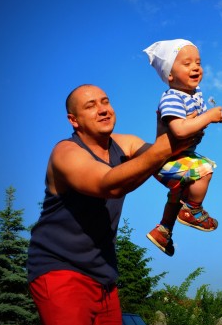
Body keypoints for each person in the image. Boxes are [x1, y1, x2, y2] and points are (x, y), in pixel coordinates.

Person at [27, 84, 195, 325]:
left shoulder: (125, 144)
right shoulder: (65, 152)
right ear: (73, 120)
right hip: (59, 270)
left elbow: (165, 164)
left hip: (104, 276)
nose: (103, 109)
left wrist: (180, 128)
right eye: (91, 105)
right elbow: (109, 185)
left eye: (105, 102)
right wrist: (168, 145)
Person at [143, 39, 222, 257]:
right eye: (187, 63)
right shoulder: (172, 97)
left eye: (198, 62)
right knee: (205, 169)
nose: (195, 67)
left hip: (179, 155)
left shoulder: (194, 96)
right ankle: (193, 210)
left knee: (178, 193)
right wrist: (208, 117)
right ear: (170, 75)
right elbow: (178, 130)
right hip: (165, 159)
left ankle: (163, 231)